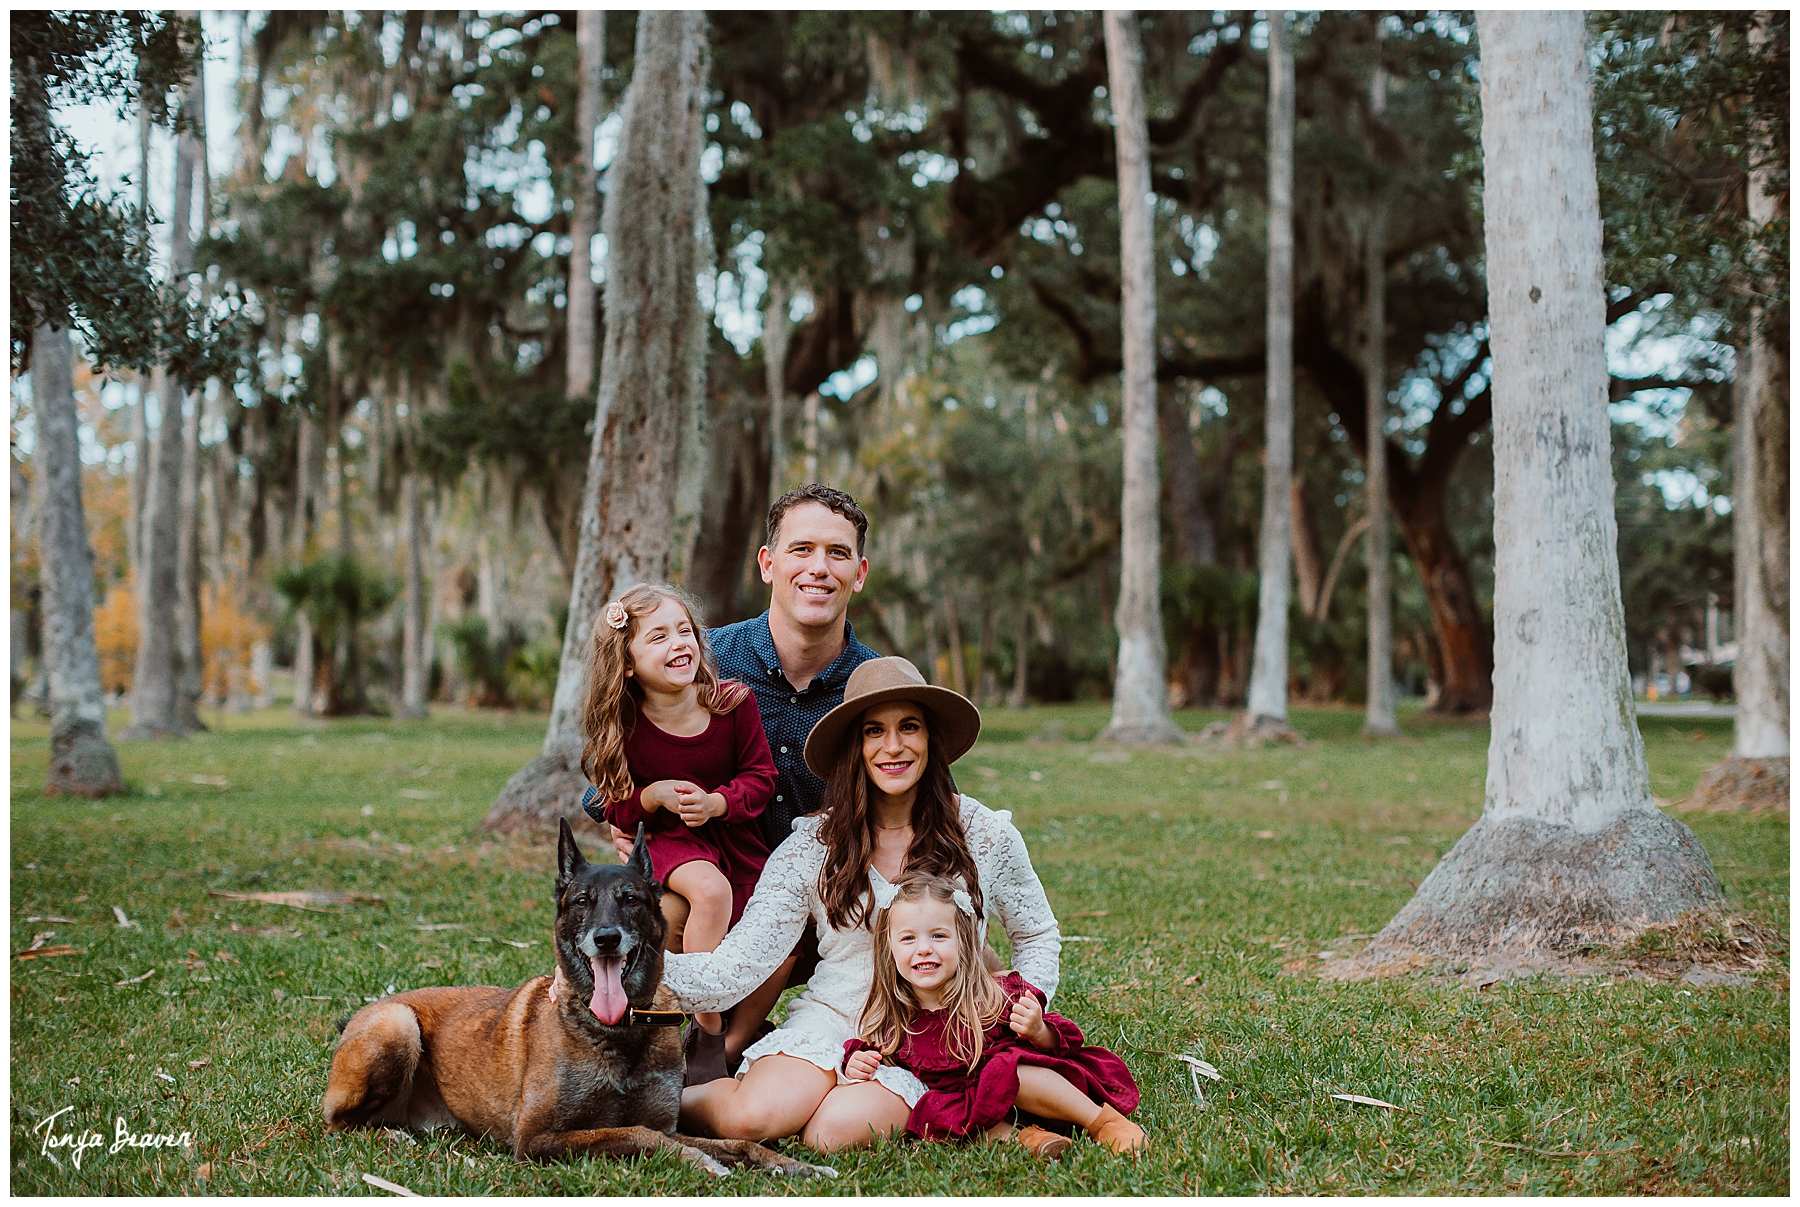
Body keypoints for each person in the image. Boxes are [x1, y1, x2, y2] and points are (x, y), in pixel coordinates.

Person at [659, 656, 1062, 1153]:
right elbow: (739, 965)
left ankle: (858, 1102)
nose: (893, 746)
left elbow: (1036, 934)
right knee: (756, 1116)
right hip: (835, 1017)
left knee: (831, 1135)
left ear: (931, 739)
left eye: (908, 727)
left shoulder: (985, 834)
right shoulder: (813, 846)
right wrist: (620, 970)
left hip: (934, 1036)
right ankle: (666, 1101)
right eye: (875, 731)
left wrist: (1029, 1002)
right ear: (856, 746)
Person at [574, 583, 782, 1058]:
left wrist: (718, 803)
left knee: (772, 929)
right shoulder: (626, 726)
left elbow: (761, 776)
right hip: (671, 840)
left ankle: (732, 1033)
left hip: (732, 835)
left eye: (684, 631)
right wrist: (651, 796)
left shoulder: (732, 703)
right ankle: (706, 1025)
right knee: (710, 893)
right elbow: (618, 808)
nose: (679, 643)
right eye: (659, 637)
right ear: (627, 664)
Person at [842, 873, 1144, 1158]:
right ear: (889, 948)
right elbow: (871, 1052)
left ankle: (1103, 1122)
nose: (923, 949)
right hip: (977, 1107)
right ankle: (1029, 1139)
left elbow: (1061, 1041)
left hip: (1037, 1095)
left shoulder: (995, 996)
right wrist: (858, 1062)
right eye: (908, 939)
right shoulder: (894, 1021)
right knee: (948, 1116)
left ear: (963, 942)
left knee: (1010, 1070)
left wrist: (1038, 1030)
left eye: (938, 936)